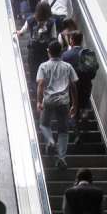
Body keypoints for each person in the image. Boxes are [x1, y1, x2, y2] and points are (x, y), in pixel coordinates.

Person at [35, 41, 78, 170]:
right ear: (61, 52)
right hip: (64, 102)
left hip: (48, 100)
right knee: (63, 131)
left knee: (44, 124)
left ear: (49, 51)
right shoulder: (67, 66)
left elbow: (41, 84)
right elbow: (73, 86)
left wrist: (38, 100)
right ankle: (61, 158)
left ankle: (50, 141)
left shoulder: (43, 66)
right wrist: (75, 104)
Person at [62, 31, 97, 144]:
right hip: (86, 85)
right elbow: (93, 71)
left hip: (72, 88)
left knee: (73, 109)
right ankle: (85, 116)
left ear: (71, 40)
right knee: (84, 104)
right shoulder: (87, 54)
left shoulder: (66, 55)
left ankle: (78, 133)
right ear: (81, 40)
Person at [16, 0, 58, 78]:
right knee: (45, 71)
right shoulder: (51, 22)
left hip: (33, 49)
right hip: (45, 50)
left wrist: (18, 33)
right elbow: (53, 36)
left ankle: (34, 87)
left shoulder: (30, 19)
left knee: (33, 70)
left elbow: (22, 31)